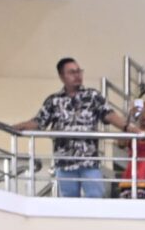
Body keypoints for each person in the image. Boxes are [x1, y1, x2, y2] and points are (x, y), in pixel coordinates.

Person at [12, 56, 124, 198]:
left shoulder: (93, 96)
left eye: (79, 71)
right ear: (62, 76)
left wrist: (128, 127)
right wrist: (20, 126)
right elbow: (39, 122)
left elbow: (109, 115)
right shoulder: (54, 101)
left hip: (89, 161)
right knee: (68, 203)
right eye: (72, 72)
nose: (77, 75)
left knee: (96, 199)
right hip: (64, 162)